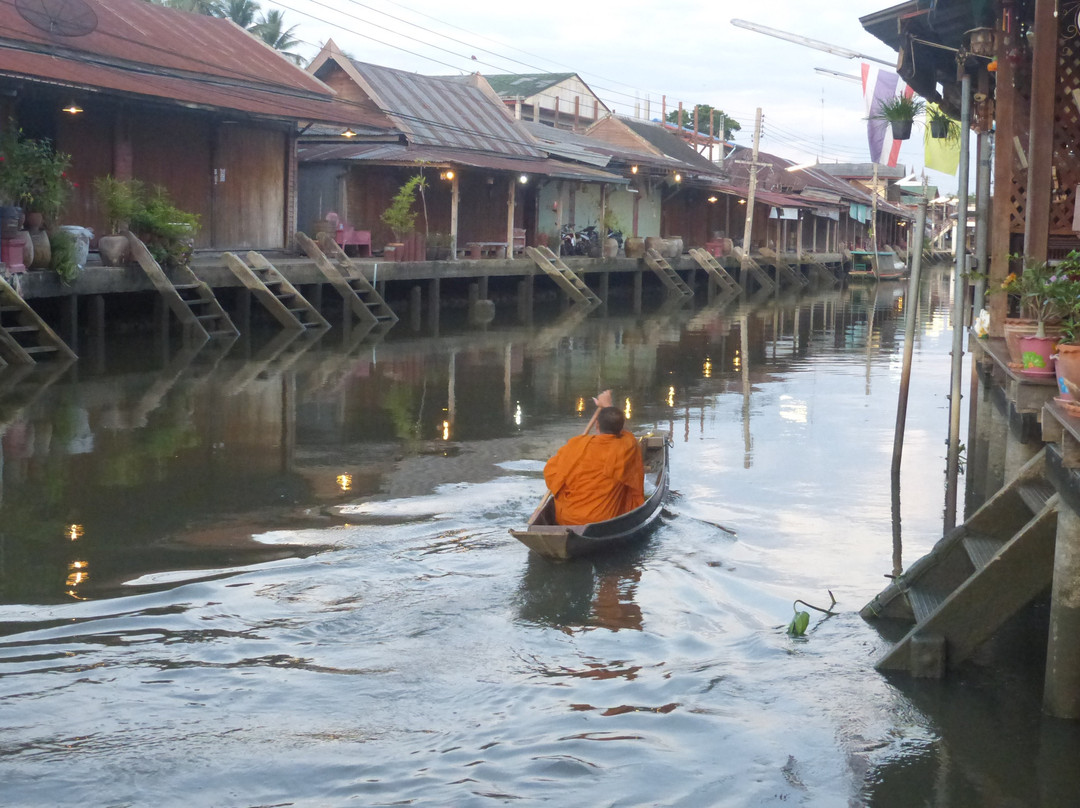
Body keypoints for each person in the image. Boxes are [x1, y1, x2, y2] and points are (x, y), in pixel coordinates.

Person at [543, 390, 645, 525]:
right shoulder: (626, 446)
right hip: (602, 519)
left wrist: (606, 406)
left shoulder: (576, 444)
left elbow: (551, 473)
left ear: (597, 425)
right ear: (620, 428)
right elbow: (626, 433)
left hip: (567, 519)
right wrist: (608, 405)